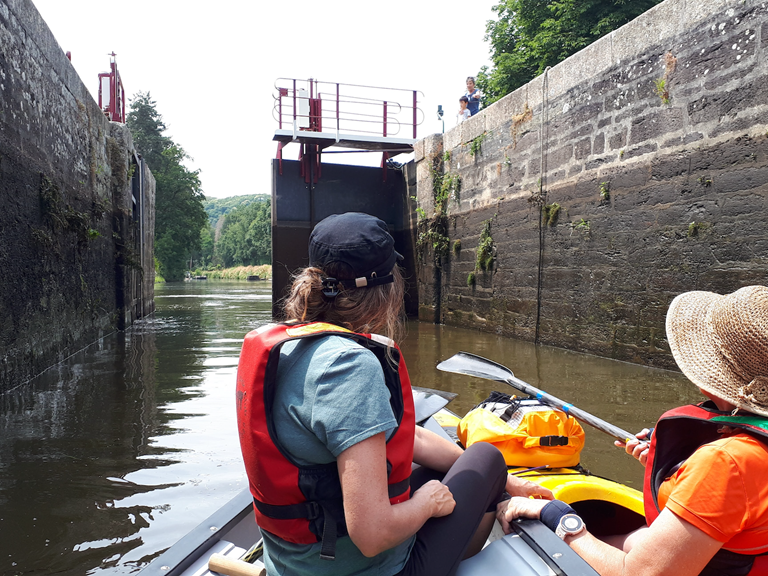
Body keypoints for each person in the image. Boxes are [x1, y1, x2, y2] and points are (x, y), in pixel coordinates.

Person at [236, 212, 553, 576]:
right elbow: (372, 534)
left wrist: (513, 483)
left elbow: (406, 436)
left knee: (430, 467)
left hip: (296, 564)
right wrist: (426, 504)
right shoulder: (350, 366)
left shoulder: (288, 348)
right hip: (368, 569)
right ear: (386, 290)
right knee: (486, 460)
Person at [496, 285, 768, 576]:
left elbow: (638, 574)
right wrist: (674, 469)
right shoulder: (739, 453)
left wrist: (555, 515)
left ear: (710, 377)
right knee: (635, 536)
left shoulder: (726, 463)